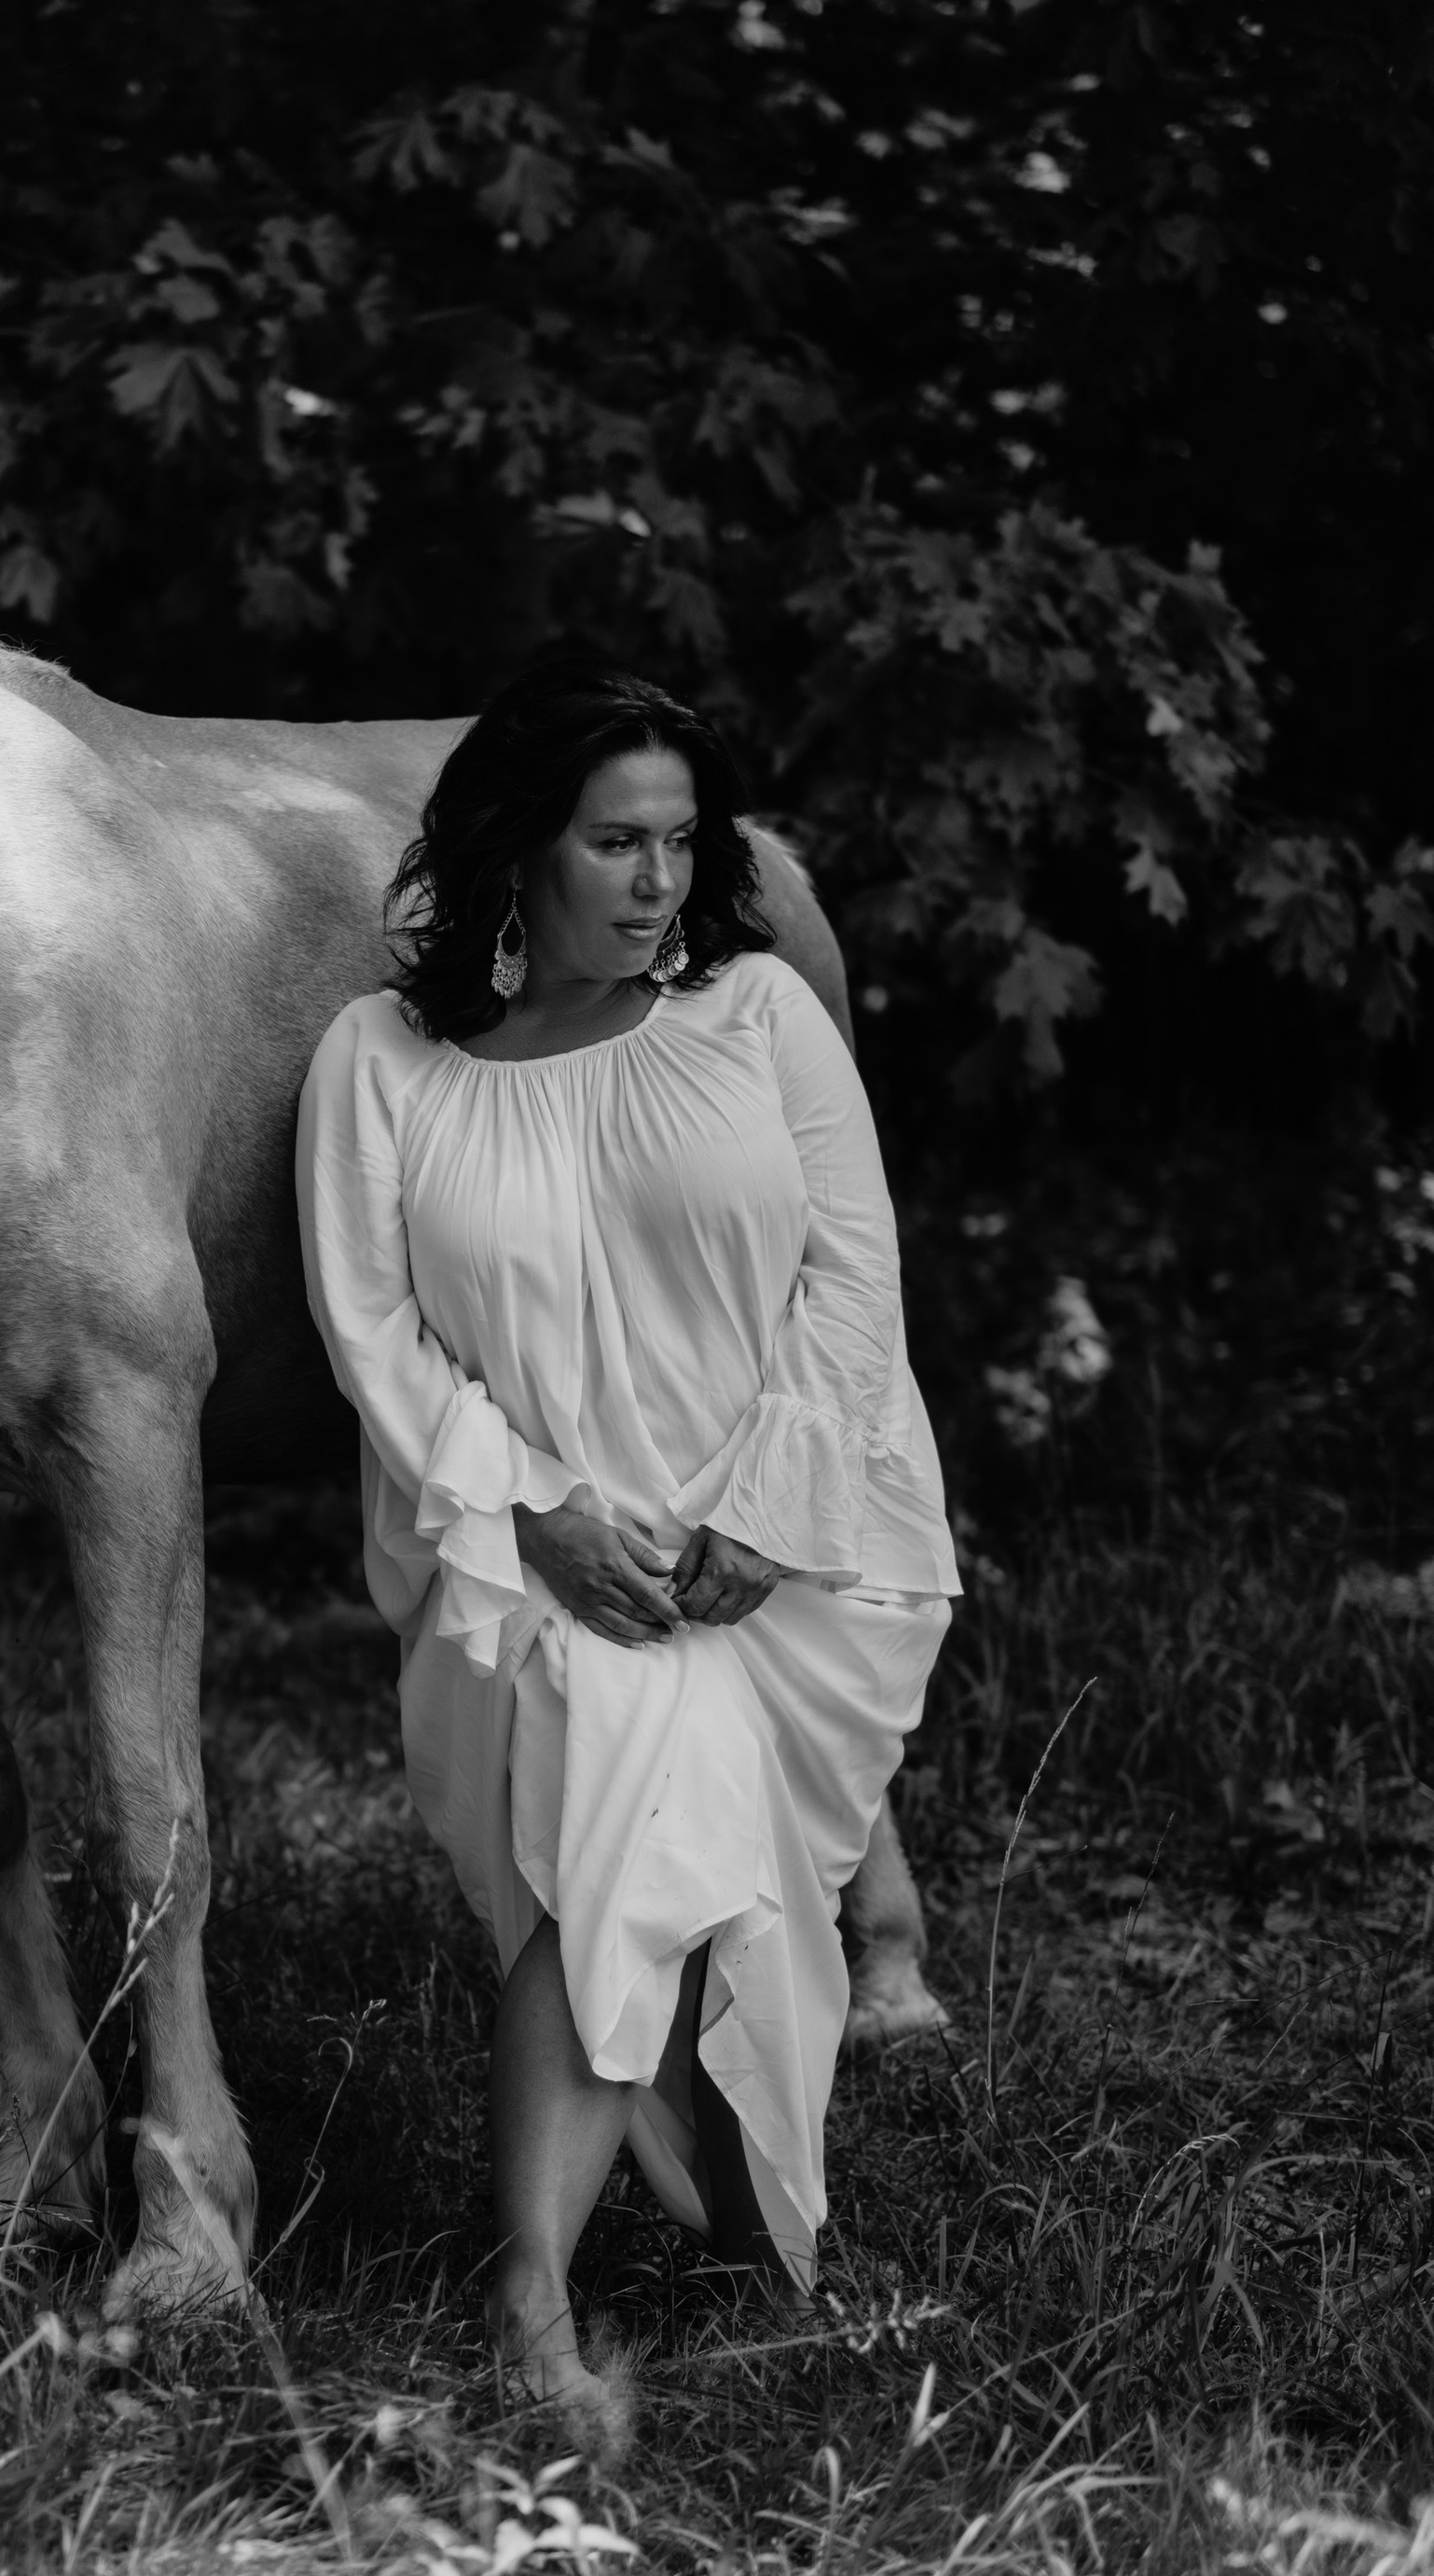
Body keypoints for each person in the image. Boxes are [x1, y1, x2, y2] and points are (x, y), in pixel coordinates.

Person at [295, 658, 958, 2433]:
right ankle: (528, 2291)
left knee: (700, 1946)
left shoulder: (753, 1017)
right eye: (616, 841)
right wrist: (534, 1506)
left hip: (777, 1539)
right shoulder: (383, 1065)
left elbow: (854, 1277)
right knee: (628, 1848)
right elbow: (377, 1338)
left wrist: (768, 1503)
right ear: (521, 849)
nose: (658, 881)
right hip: (533, 1548)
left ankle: (661, 2249)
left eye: (680, 841)